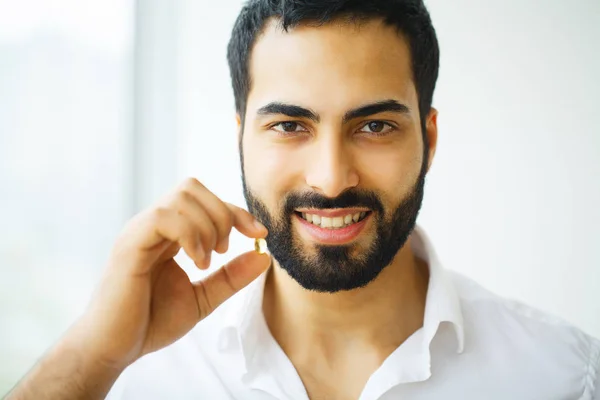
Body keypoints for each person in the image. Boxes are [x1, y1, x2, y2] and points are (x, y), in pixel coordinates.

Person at [6, 0, 600, 399]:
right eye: (291, 126)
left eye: (374, 126)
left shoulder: (563, 374)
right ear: (241, 136)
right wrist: (95, 357)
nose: (333, 178)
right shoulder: (140, 377)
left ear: (430, 137)